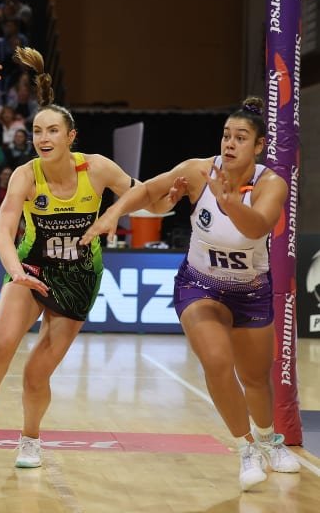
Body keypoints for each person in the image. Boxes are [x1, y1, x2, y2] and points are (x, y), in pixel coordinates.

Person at [79, 97, 300, 491]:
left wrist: (229, 200)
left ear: (259, 146)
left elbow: (256, 228)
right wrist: (112, 214)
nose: (229, 144)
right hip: (200, 284)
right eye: (226, 135)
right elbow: (147, 191)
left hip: (251, 290)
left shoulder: (272, 184)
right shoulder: (198, 171)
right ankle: (246, 447)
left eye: (241, 138)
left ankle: (268, 438)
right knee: (216, 362)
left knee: (255, 379)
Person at [0, 48, 158, 469]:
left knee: (35, 374)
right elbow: (3, 231)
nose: (43, 138)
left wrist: (165, 199)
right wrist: (15, 273)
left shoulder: (98, 169)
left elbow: (141, 196)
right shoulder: (26, 175)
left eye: (52, 131)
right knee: (0, 343)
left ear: (71, 136)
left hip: (80, 279)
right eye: (36, 131)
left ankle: (30, 439)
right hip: (34, 269)